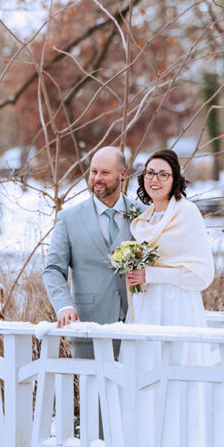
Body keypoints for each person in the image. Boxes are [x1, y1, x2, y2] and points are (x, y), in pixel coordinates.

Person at [43, 146, 144, 358]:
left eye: (105, 173)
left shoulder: (143, 215)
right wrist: (63, 306)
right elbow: (53, 268)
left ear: (122, 174)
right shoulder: (69, 218)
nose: (97, 178)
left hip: (138, 325)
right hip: (87, 326)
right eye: (94, 172)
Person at [125, 149, 214, 326]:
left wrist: (150, 274)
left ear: (174, 179)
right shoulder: (143, 220)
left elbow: (203, 274)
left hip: (177, 307)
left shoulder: (187, 212)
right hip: (146, 306)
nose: (155, 179)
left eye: (163, 174)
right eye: (150, 173)